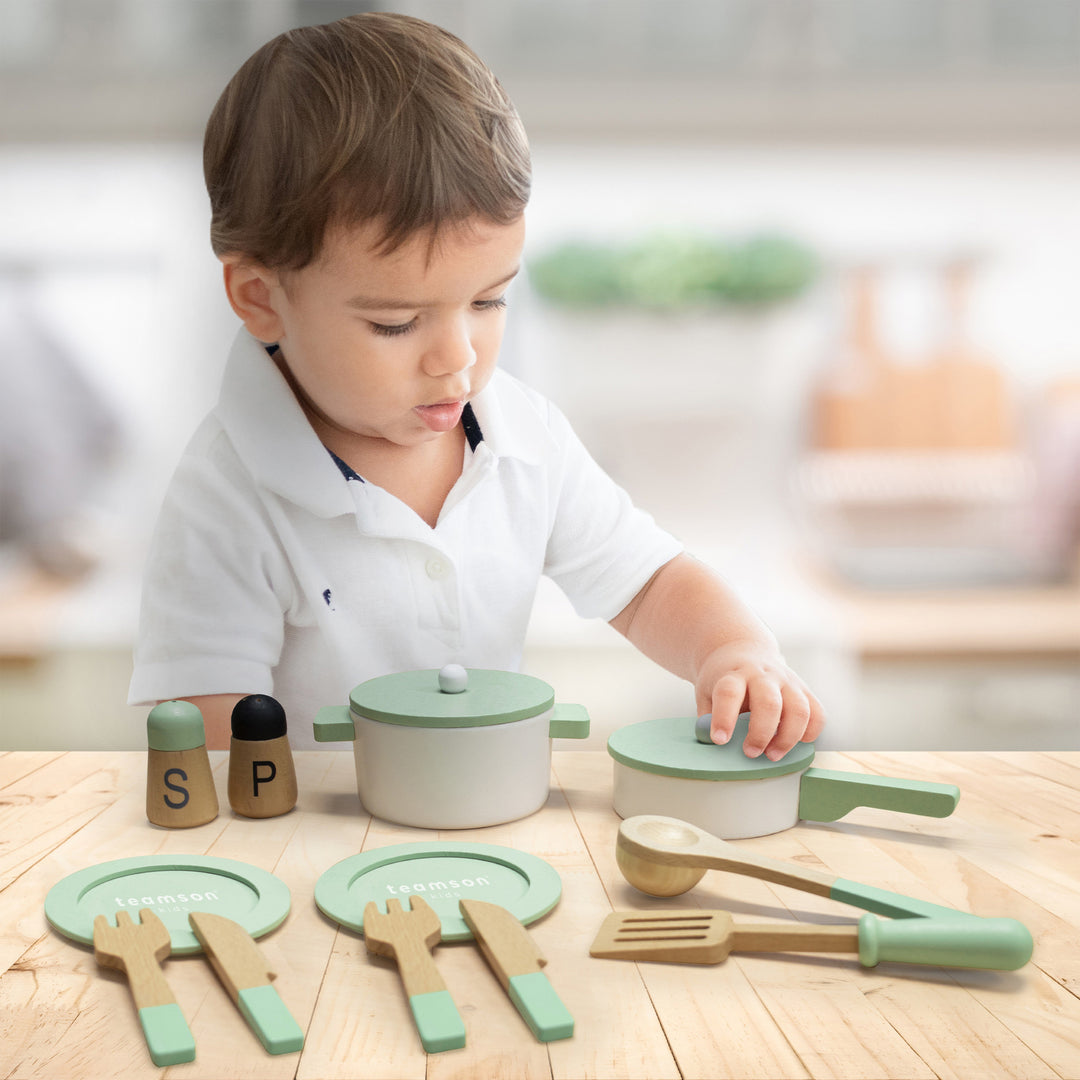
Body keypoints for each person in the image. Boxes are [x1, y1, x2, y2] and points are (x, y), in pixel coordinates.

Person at [128, 12, 825, 754]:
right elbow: (200, 729)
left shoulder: (525, 437)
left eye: (489, 300)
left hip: (484, 828)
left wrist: (731, 649)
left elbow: (648, 581)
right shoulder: (227, 495)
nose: (456, 358)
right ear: (262, 299)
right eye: (396, 323)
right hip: (314, 844)